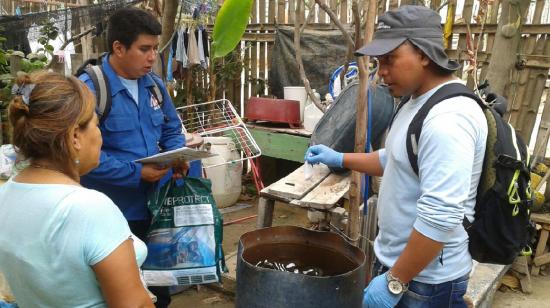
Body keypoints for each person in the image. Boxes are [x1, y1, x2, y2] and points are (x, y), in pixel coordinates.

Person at [305, 6, 488, 308]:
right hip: (401, 268)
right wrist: (340, 158)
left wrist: (395, 281)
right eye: (378, 62)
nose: (382, 72)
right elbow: (394, 158)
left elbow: (441, 217)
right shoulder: (416, 101)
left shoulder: (449, 119)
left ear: (424, 54)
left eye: (390, 59)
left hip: (425, 282)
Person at [0, 71, 154, 307]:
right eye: (96, 124)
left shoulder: (7, 193)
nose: (100, 135)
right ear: (75, 136)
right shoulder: (88, 209)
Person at [78, 7, 187, 307]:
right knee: (118, 294)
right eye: (144, 49)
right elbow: (79, 157)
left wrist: (176, 156)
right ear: (118, 47)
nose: (153, 57)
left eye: (154, 48)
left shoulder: (154, 85)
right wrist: (135, 173)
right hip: (113, 216)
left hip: (156, 209)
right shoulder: (90, 91)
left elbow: (171, 127)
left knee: (159, 286)